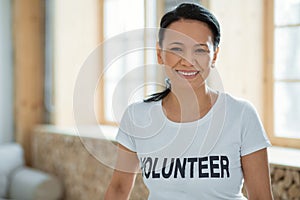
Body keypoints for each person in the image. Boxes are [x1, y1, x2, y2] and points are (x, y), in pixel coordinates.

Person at [105, 3, 273, 200]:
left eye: (200, 50)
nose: (188, 61)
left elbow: (262, 197)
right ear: (160, 54)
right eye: (177, 49)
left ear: (215, 55)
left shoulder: (241, 115)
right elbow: (118, 189)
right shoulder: (137, 117)